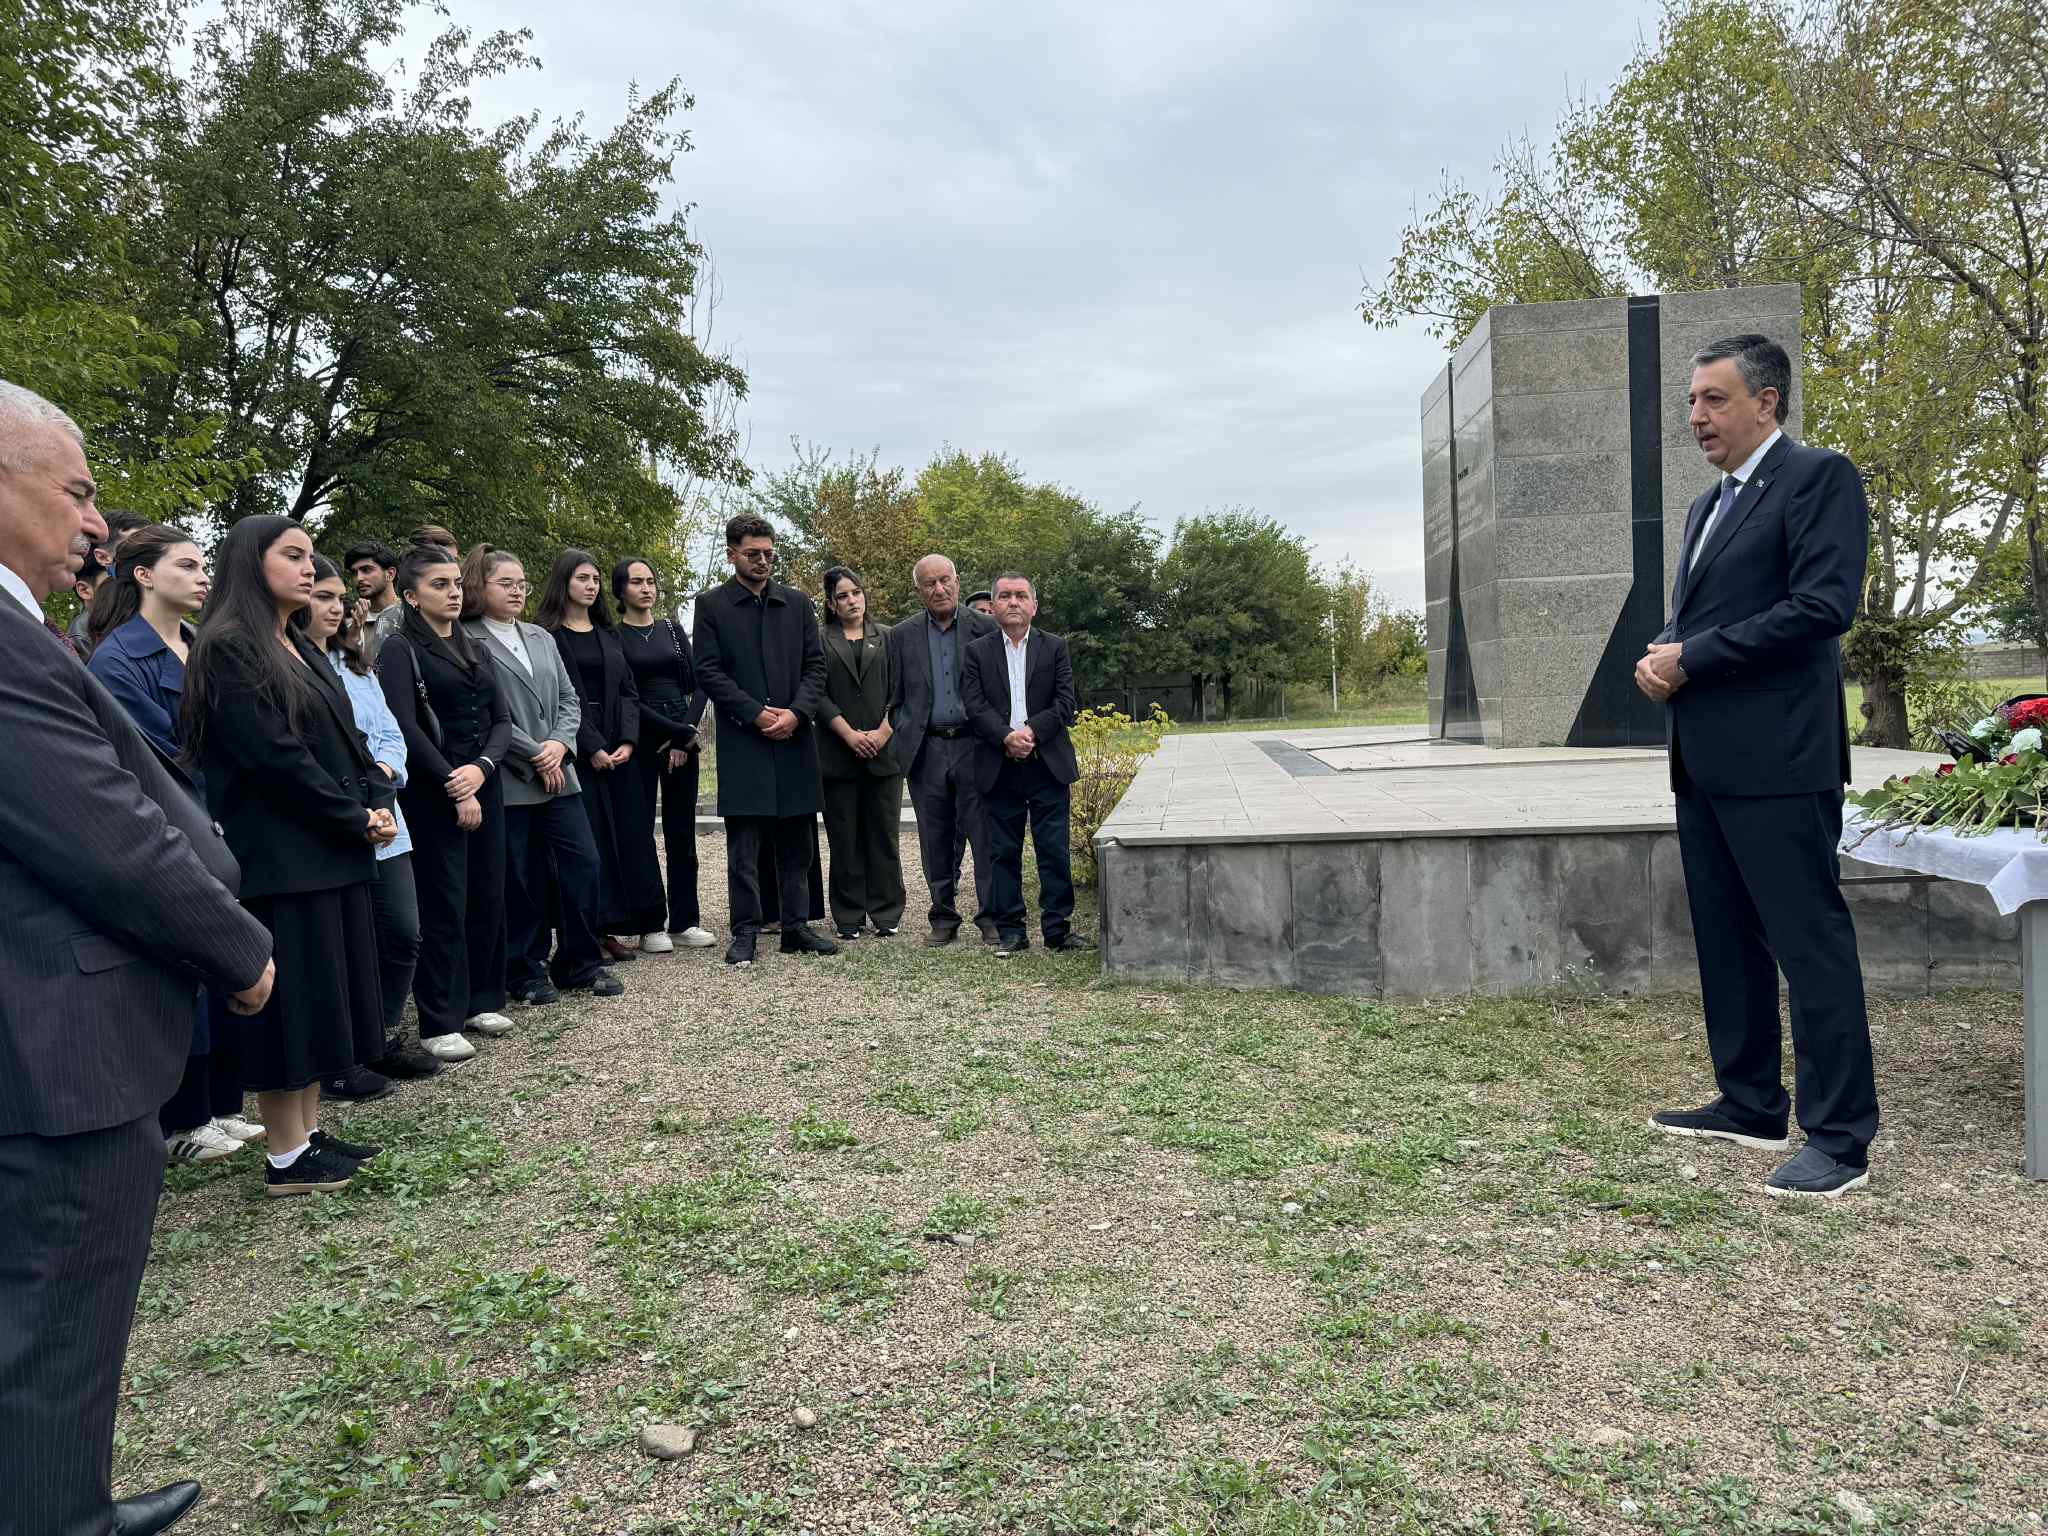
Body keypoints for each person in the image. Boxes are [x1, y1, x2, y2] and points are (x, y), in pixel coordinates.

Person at [0, 382, 274, 1536]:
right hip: (53, 1041)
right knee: (58, 1298)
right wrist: (238, 949)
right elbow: (105, 830)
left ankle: (57, 1496)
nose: (97, 521)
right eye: (78, 489)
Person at [1635, 333, 1876, 1201]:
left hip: (1781, 761)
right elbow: (1715, 617)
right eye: (1693, 400)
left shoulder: (1818, 479)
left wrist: (1692, 656)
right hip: (1705, 762)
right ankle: (1748, 1102)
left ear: (1767, 402)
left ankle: (1840, 1139)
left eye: (1714, 399)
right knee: (1728, 943)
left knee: (1809, 946)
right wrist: (1668, 659)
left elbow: (1822, 606)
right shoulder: (1709, 508)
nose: (1696, 415)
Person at [182, 515, 397, 1200]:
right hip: (280, 857)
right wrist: (349, 813)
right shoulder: (230, 647)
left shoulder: (296, 642)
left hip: (326, 851)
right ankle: (283, 1156)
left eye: (311, 557)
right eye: (294, 556)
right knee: (290, 1004)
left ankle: (304, 1134)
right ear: (252, 562)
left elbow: (343, 736)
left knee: (321, 994)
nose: (310, 569)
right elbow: (273, 756)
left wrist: (376, 792)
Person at [87, 525, 266, 1158]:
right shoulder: (116, 659)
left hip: (232, 820)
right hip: (181, 821)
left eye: (203, 566)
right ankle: (187, 1120)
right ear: (143, 575)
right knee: (191, 967)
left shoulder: (201, 645)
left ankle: (224, 1102)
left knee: (234, 961)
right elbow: (154, 753)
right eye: (187, 565)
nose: (201, 577)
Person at [300, 557, 443, 1081]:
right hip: (333, 822)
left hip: (385, 814)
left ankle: (379, 1036)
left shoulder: (356, 664)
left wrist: (381, 775)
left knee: (404, 932)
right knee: (344, 945)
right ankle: (340, 1054)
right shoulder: (285, 665)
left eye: (339, 597)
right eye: (321, 596)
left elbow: (390, 733)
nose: (335, 607)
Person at [465, 545, 623, 1003]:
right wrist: (537, 754)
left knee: (584, 865)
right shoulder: (468, 639)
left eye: (522, 584)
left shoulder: (540, 636)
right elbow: (483, 713)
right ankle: (523, 969)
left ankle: (579, 961)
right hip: (513, 778)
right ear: (481, 586)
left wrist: (559, 746)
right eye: (506, 583)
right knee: (522, 877)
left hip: (561, 775)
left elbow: (570, 701)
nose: (517, 591)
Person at [378, 545, 515, 1057]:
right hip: (435, 787)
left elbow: (502, 720)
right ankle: (440, 1018)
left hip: (484, 779)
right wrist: (454, 782)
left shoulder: (473, 644)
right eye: (440, 584)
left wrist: (482, 770)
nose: (454, 592)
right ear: (411, 596)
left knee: (488, 893)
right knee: (444, 899)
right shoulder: (398, 649)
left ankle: (482, 997)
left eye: (457, 583)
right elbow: (404, 725)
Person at [693, 514, 837, 966]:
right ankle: (747, 931)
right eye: (753, 554)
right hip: (745, 740)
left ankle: (795, 927)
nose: (762, 562)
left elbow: (816, 666)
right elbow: (709, 671)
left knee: (798, 842)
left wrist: (796, 713)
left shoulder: (796, 604)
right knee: (745, 847)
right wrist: (755, 713)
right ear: (732, 553)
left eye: (769, 554)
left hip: (794, 737)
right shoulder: (712, 605)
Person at [536, 549, 666, 965]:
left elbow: (629, 691)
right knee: (586, 844)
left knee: (627, 839)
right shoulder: (547, 636)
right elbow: (564, 698)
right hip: (576, 751)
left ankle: (614, 926)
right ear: (563, 583)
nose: (590, 586)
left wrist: (628, 740)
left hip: (621, 750)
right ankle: (585, 931)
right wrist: (591, 748)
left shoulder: (607, 634)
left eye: (594, 579)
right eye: (582, 579)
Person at [961, 573, 1092, 956]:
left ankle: (1057, 930)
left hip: (1046, 763)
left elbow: (1064, 703)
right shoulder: (977, 652)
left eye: (1021, 596)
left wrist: (1030, 733)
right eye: (1005, 596)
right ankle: (1012, 931)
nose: (1013, 602)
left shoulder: (1055, 648)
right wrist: (1006, 737)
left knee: (1053, 849)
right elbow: (974, 706)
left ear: (1034, 605)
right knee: (1003, 851)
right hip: (999, 763)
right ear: (994, 606)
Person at [888, 553, 1000, 946]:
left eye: (945, 580)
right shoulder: (901, 636)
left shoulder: (987, 627)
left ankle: (991, 916)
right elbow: (894, 695)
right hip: (927, 749)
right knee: (934, 837)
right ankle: (943, 916)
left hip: (976, 745)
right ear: (918, 591)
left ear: (957, 580)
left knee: (984, 835)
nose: (939, 589)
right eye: (929, 584)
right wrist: (903, 729)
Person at [613, 556, 718, 950]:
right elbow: (625, 696)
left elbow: (700, 683)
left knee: (680, 831)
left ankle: (686, 920)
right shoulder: (614, 635)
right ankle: (650, 923)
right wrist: (668, 734)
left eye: (651, 581)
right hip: (639, 740)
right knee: (639, 832)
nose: (646, 588)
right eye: (637, 582)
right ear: (621, 589)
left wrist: (683, 737)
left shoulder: (673, 630)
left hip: (681, 741)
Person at [816, 565, 906, 939]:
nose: (852, 600)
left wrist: (883, 732)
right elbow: (816, 693)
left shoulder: (889, 638)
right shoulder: (819, 640)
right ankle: (848, 915)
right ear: (831, 604)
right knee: (845, 836)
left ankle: (886, 911)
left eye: (856, 592)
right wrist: (849, 734)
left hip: (884, 753)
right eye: (842, 595)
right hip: (838, 754)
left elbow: (904, 691)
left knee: (884, 834)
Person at [370, 524, 459, 657]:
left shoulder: (463, 611)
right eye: (441, 559)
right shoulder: (392, 618)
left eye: (453, 560)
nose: (450, 566)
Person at [344, 539, 400, 662]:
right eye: (354, 573)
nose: (359, 578)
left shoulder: (412, 615)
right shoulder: (350, 622)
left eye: (366, 570)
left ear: (390, 574)